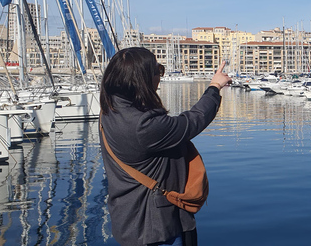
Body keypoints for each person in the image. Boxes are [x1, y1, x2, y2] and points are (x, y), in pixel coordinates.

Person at [99, 47, 232, 246]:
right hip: (157, 228)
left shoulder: (109, 111)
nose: (160, 76)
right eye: (158, 70)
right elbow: (192, 121)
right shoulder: (143, 126)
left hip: (127, 222)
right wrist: (214, 87)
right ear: (142, 80)